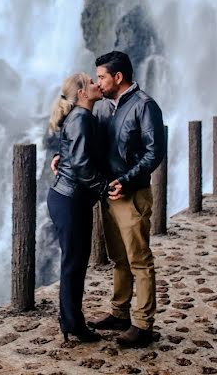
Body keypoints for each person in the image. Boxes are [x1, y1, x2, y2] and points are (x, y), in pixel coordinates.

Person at [86, 51, 165, 348]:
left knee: (139, 260)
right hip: (109, 192)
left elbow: (154, 152)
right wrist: (61, 155)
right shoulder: (105, 107)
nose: (98, 83)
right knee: (119, 258)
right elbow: (91, 141)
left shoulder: (145, 106)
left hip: (132, 195)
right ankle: (120, 313)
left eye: (102, 77)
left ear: (118, 77)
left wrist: (126, 181)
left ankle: (143, 325)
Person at [46, 72, 107, 343]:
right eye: (92, 82)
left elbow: (73, 153)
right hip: (70, 200)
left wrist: (60, 157)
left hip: (66, 197)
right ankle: (72, 323)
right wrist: (105, 187)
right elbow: (81, 165)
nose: (97, 84)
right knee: (74, 264)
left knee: (74, 262)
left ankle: (71, 320)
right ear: (82, 92)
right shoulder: (81, 117)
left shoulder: (78, 117)